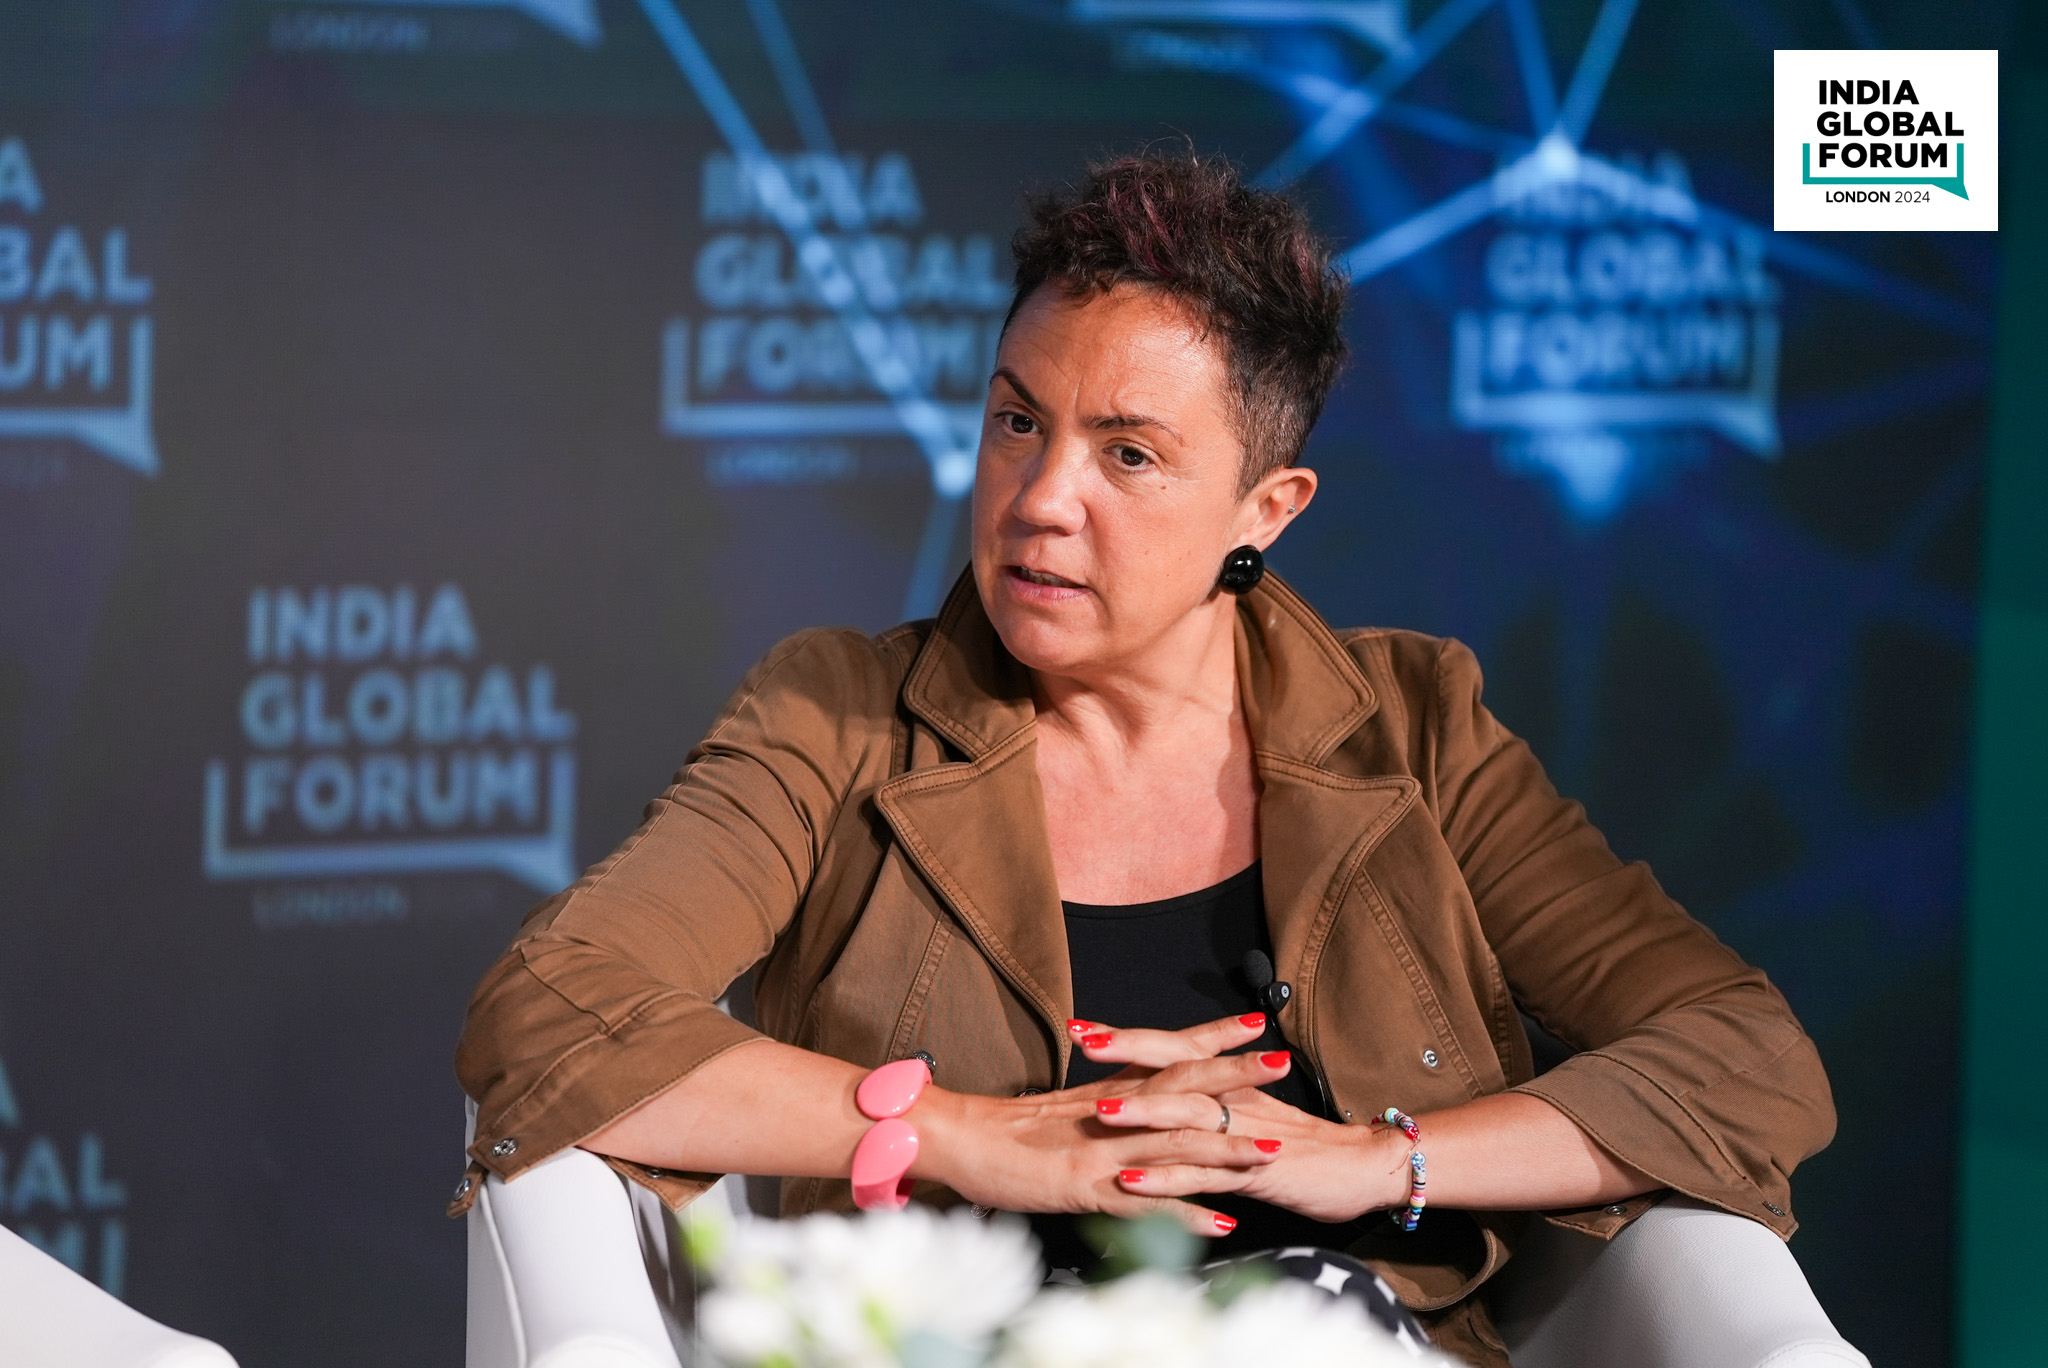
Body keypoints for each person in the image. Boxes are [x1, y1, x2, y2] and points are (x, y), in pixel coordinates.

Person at [451, 148, 1835, 1364]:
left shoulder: (1414, 726)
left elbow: (1742, 1056)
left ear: (1265, 508)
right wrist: (974, 1135)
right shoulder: (839, 718)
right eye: (1018, 421)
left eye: (1128, 455)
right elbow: (551, 1015)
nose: (1041, 499)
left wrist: (1380, 1162)